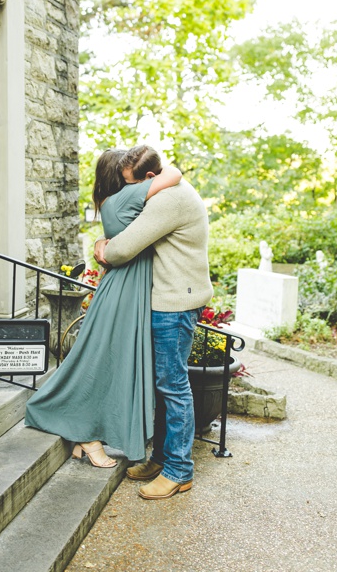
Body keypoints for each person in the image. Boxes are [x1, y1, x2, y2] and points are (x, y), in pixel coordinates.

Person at [26, 148, 181, 469]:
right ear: (121, 178)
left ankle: (89, 433)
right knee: (103, 362)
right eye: (128, 176)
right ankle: (86, 433)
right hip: (124, 292)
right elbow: (174, 174)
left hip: (123, 289)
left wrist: (101, 242)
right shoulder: (127, 197)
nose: (133, 179)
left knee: (107, 361)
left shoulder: (113, 204)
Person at [94, 145, 212, 501]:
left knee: (173, 386)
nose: (130, 193)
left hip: (174, 304)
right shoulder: (169, 187)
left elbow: (121, 250)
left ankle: (179, 470)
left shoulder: (168, 201)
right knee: (165, 385)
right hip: (171, 299)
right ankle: (161, 458)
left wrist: (102, 245)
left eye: (131, 185)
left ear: (149, 178)